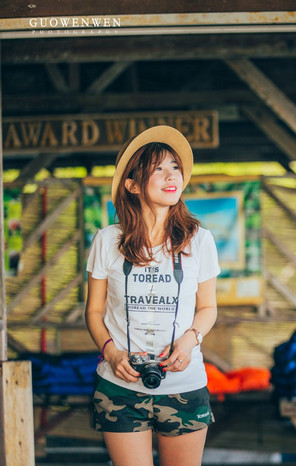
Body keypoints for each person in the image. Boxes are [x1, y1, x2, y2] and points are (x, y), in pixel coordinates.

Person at [85, 125, 220, 466]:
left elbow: (207, 307)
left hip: (184, 385)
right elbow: (93, 312)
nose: (170, 175)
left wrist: (189, 342)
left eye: (174, 166)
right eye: (157, 168)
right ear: (132, 185)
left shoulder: (199, 240)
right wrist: (112, 354)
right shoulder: (107, 240)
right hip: (120, 387)